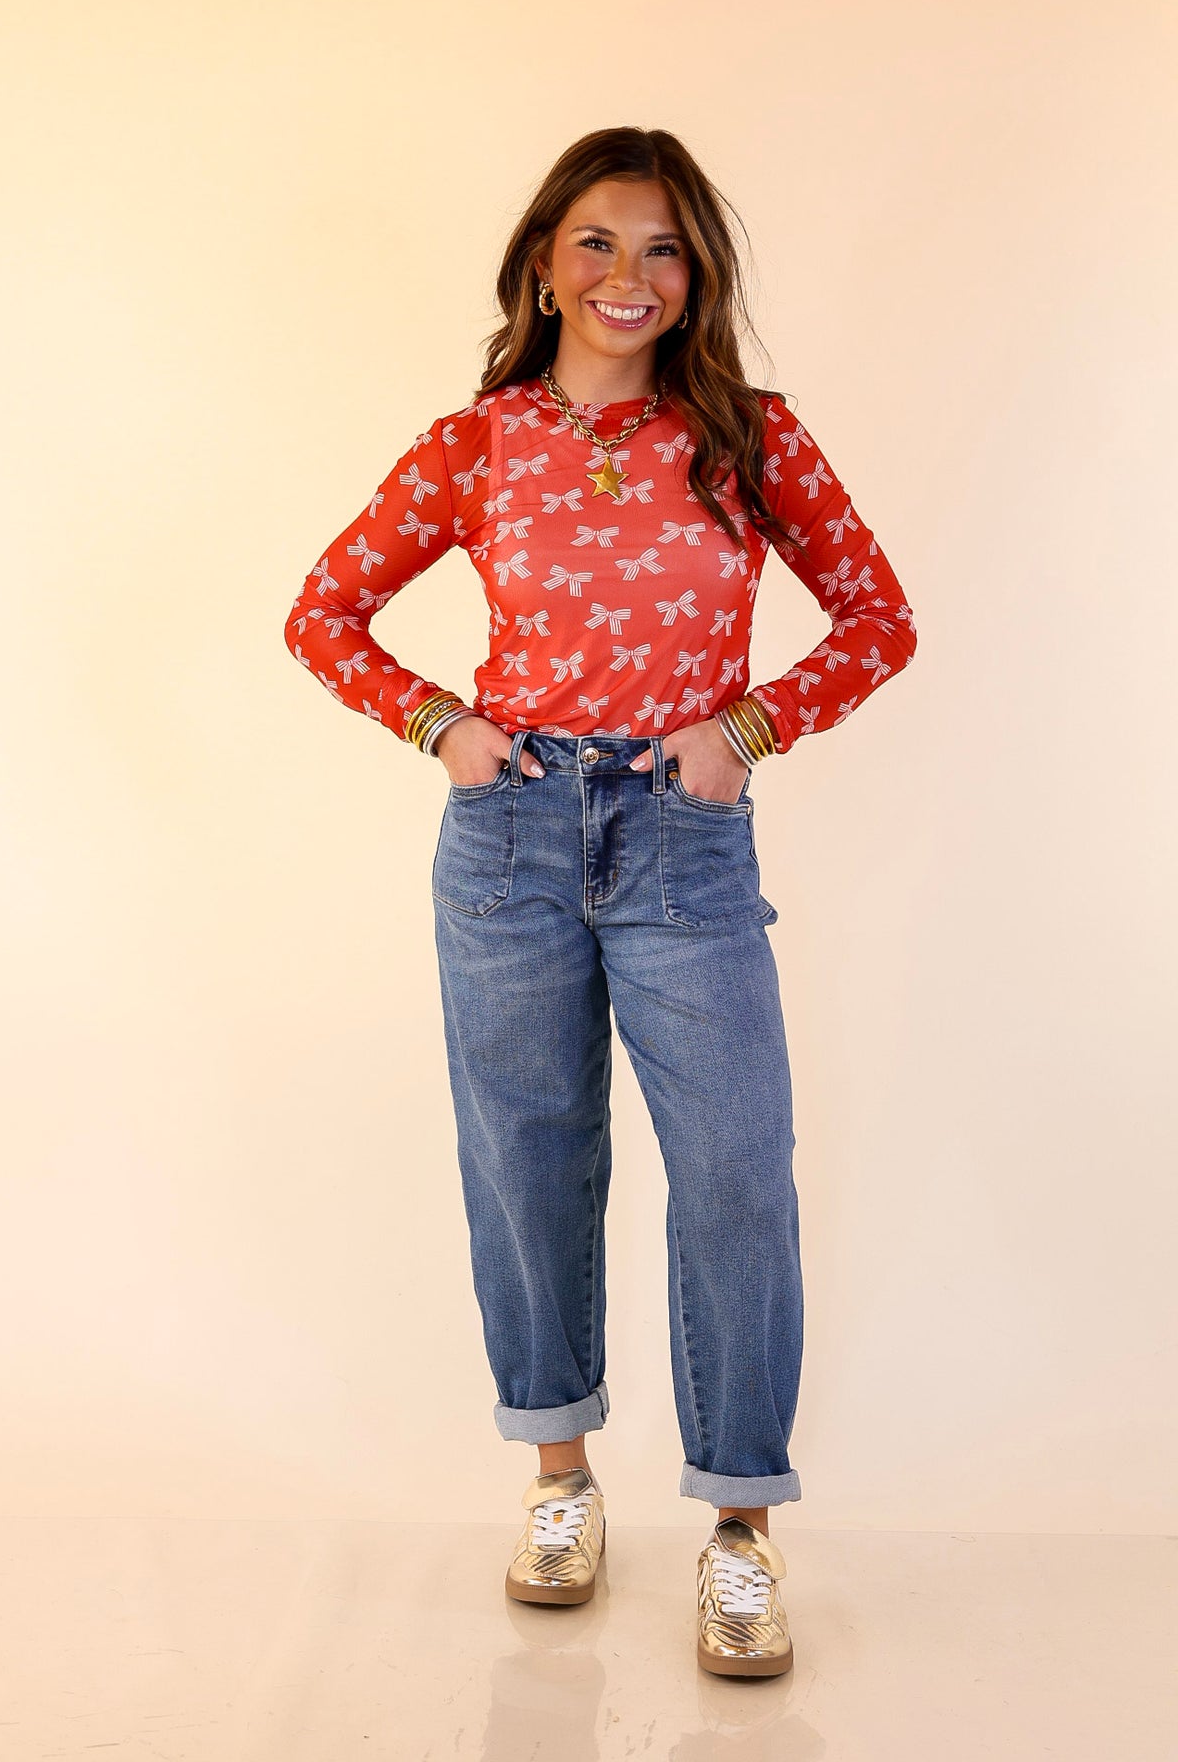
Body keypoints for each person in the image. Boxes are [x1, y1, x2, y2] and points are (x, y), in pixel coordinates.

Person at [283, 126, 917, 1678]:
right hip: (508, 841)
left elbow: (878, 620)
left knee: (737, 1174)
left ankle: (742, 1530)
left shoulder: (749, 439)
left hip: (683, 845)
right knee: (528, 1162)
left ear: (697, 275)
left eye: (664, 248)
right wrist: (443, 726)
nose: (631, 275)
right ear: (544, 267)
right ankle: (559, 1483)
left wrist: (747, 728)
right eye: (599, 243)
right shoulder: (476, 445)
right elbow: (324, 613)